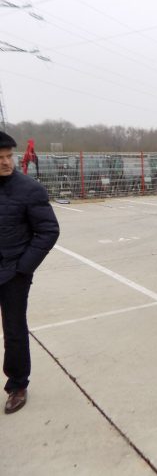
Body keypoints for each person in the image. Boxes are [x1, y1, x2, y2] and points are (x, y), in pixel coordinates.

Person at [0, 131, 59, 414]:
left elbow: (48, 230)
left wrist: (24, 268)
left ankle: (17, 384)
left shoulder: (29, 189)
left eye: (9, 156)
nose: (6, 162)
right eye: (0, 158)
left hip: (13, 273)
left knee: (14, 330)